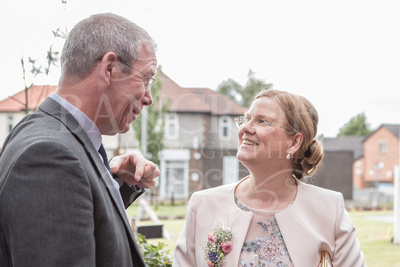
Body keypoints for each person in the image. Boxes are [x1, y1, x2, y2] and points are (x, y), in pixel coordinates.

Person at [0, 13, 160, 267]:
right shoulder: (50, 157)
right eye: (147, 79)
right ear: (110, 69)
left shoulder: (51, 137)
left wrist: (113, 181)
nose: (149, 98)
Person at [173, 89, 365, 267]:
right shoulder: (203, 204)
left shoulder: (329, 208)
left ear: (294, 142)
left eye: (262, 121)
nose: (246, 128)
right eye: (246, 119)